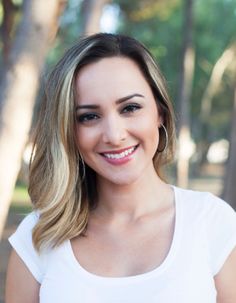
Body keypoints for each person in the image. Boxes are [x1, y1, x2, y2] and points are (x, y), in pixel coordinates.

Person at [5, 33, 236, 303]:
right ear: (69, 130)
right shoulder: (37, 238)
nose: (114, 135)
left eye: (130, 108)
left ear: (160, 112)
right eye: (89, 116)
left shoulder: (212, 222)